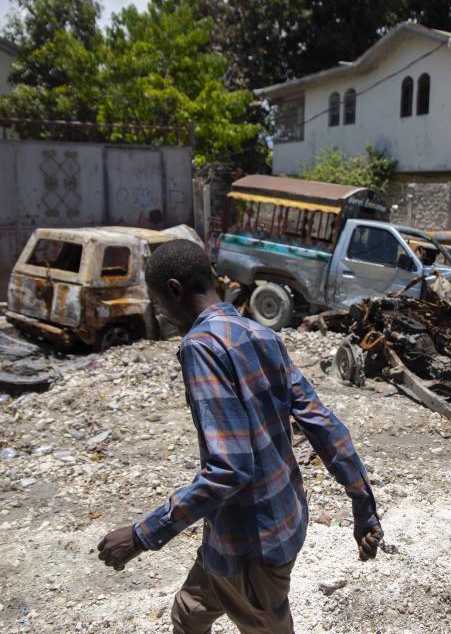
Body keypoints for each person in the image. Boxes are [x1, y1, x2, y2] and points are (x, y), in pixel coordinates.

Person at [97, 239, 383, 634]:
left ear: (175, 290)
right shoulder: (260, 334)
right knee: (188, 613)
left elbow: (229, 469)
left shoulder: (201, 347)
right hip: (262, 526)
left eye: (159, 301)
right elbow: (324, 423)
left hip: (251, 548)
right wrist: (362, 505)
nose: (161, 311)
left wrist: (141, 535)